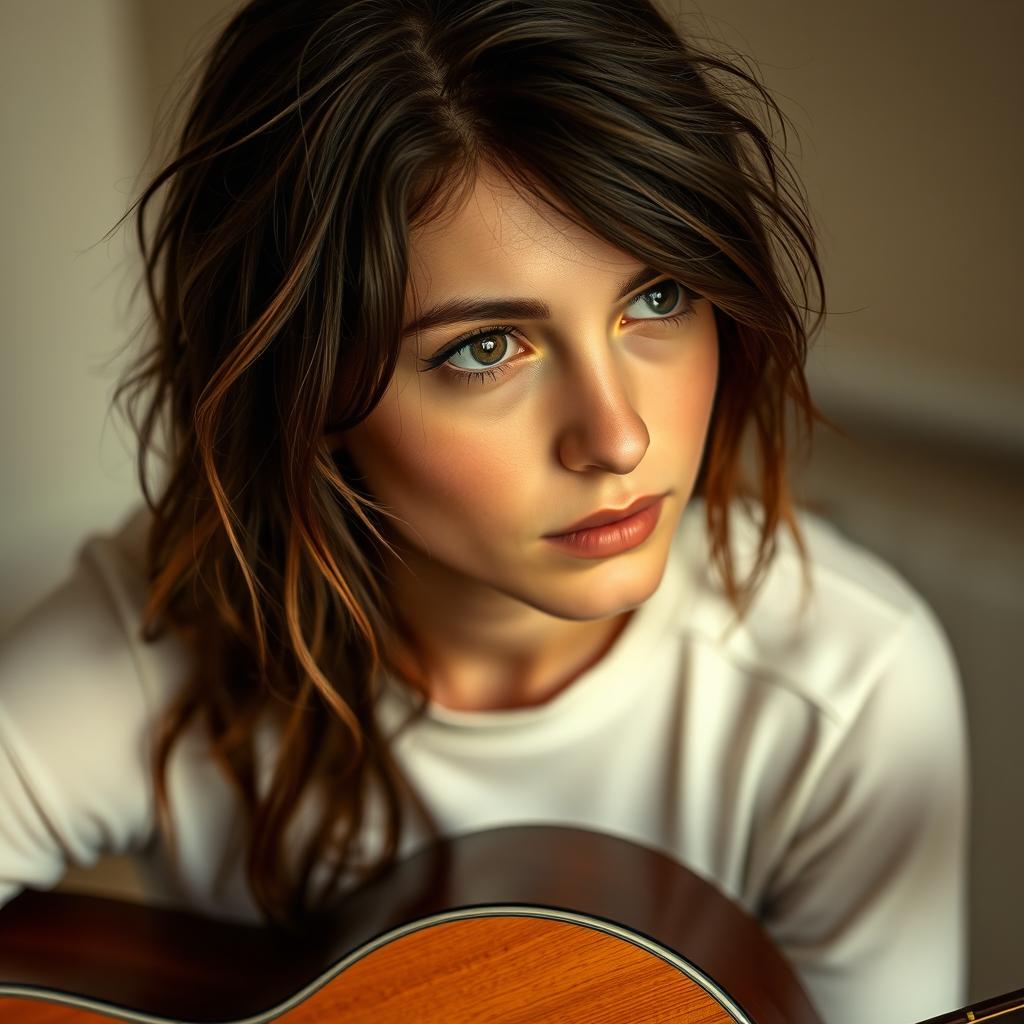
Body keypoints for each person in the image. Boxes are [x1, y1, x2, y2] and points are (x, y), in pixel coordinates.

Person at [0, 1, 969, 1022]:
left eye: (660, 297)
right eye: (484, 347)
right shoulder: (159, 638)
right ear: (304, 389)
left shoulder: (846, 694)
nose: (618, 437)